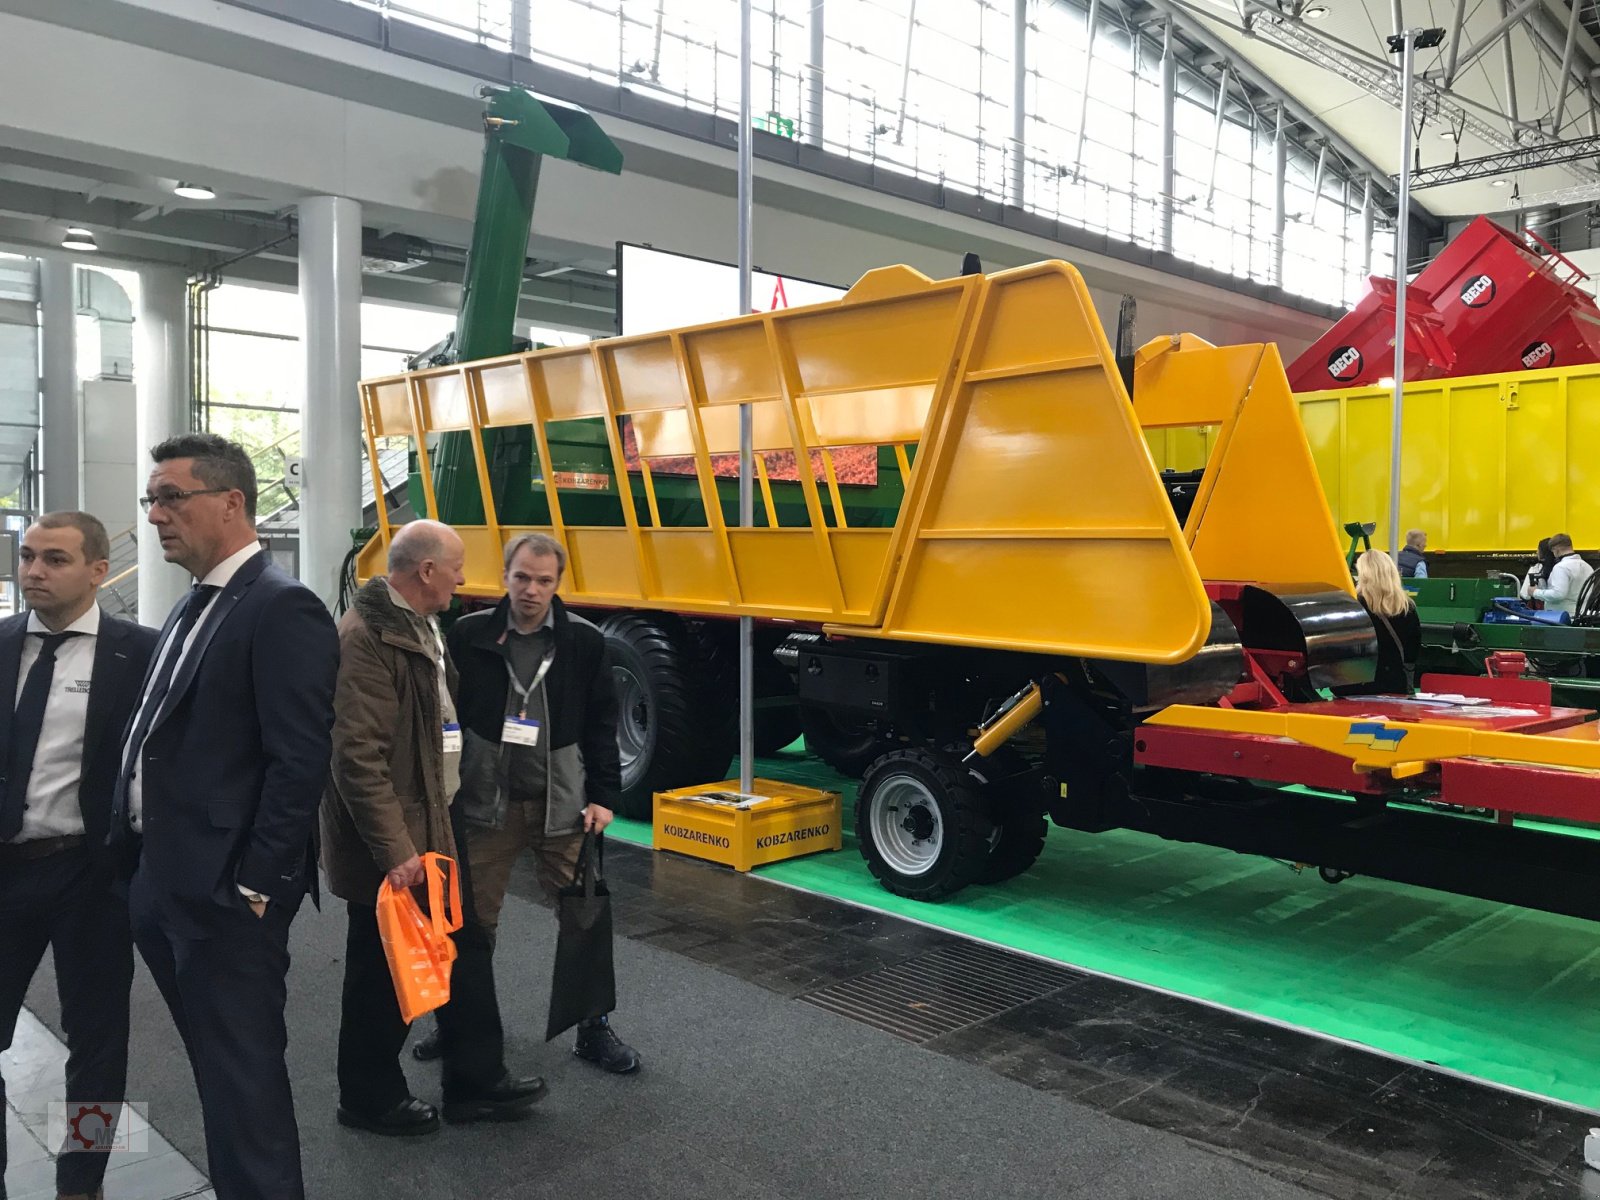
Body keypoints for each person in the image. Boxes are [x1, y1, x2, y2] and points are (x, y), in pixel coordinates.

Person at [110, 434, 337, 1200]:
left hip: (225, 900)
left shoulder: (283, 607)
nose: (156, 515)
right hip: (161, 881)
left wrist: (257, 885)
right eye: (151, 500)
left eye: (171, 497)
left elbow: (299, 760)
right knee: (215, 1070)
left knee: (244, 1083)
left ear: (231, 502)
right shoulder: (191, 605)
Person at [323, 519, 546, 1133]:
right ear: (426, 572)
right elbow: (357, 758)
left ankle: (476, 1082)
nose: (463, 577)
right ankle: (367, 1099)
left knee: (465, 944)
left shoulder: (422, 626)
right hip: (397, 838)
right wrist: (397, 852)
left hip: (436, 823)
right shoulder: (366, 637)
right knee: (382, 966)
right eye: (456, 566)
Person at [417, 532, 639, 1076]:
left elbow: (601, 723)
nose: (532, 591)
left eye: (544, 581)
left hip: (561, 805)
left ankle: (592, 1028)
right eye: (522, 578)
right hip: (485, 804)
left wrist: (604, 797)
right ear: (505, 576)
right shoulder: (469, 635)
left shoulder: (585, 643)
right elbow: (444, 716)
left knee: (584, 916)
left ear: (558, 583)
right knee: (468, 923)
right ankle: (458, 1024)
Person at [0, 513, 157, 1200]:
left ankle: (82, 1179)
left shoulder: (139, 655)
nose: (33, 571)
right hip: (5, 870)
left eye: (54, 559)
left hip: (92, 876)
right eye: (27, 557)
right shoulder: (0, 644)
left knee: (99, 1042)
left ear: (99, 570)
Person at [1344, 550, 1421, 695]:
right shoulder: (1407, 608)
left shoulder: (1353, 608)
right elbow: (1412, 653)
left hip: (1355, 689)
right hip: (1395, 687)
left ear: (1363, 576)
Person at [1521, 532, 1595, 618]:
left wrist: (1535, 592)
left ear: (1556, 549)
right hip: (1582, 615)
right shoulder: (1587, 566)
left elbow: (1558, 594)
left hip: (1561, 617)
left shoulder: (1561, 567)